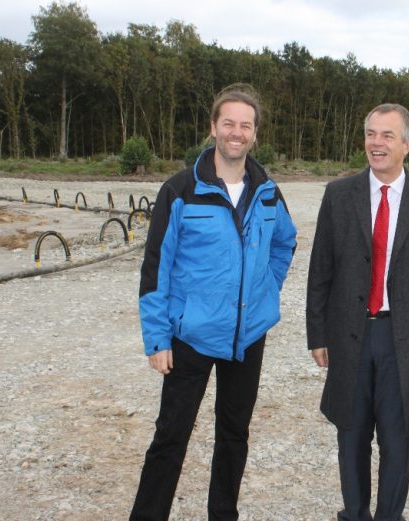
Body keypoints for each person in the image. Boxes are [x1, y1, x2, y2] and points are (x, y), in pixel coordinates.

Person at [130, 84, 297, 521]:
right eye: (229, 123)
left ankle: (223, 514)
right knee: (171, 436)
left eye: (245, 125)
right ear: (214, 127)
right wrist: (157, 337)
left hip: (248, 336)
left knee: (234, 434)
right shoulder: (181, 190)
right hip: (191, 335)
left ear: (255, 133)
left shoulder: (268, 191)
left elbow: (285, 242)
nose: (236, 132)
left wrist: (266, 290)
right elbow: (155, 269)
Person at [306, 103, 409, 521]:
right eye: (371, 133)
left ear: (407, 144)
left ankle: (390, 515)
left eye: (387, 135)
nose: (376, 143)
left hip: (403, 339)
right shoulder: (339, 195)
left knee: (396, 437)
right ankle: (354, 513)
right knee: (351, 436)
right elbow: (321, 269)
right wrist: (317, 334)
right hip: (349, 335)